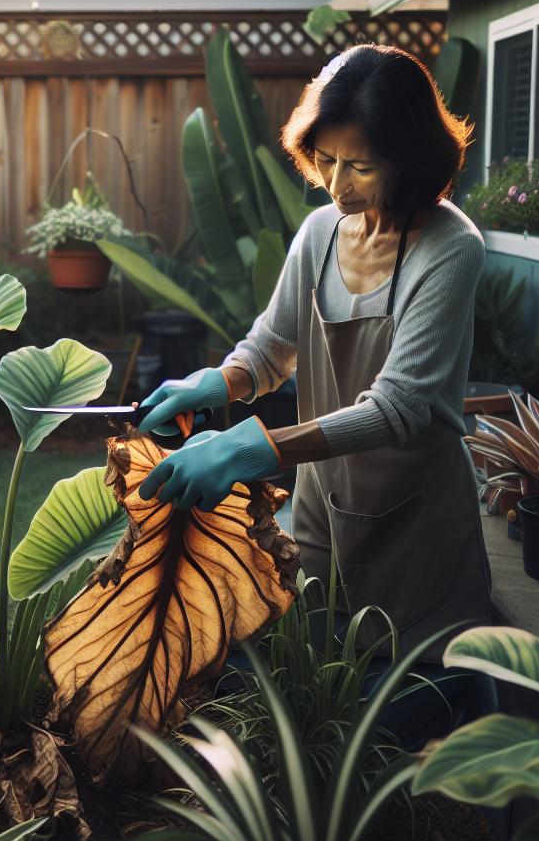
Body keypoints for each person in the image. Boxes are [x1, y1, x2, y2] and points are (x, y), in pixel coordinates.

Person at [137, 44, 494, 657]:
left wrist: (255, 447)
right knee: (320, 673)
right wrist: (219, 382)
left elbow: (399, 408)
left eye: (360, 165)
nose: (335, 184)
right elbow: (273, 347)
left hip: (417, 518)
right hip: (322, 506)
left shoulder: (450, 248)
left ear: (408, 159)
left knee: (407, 698)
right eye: (325, 159)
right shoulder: (319, 233)